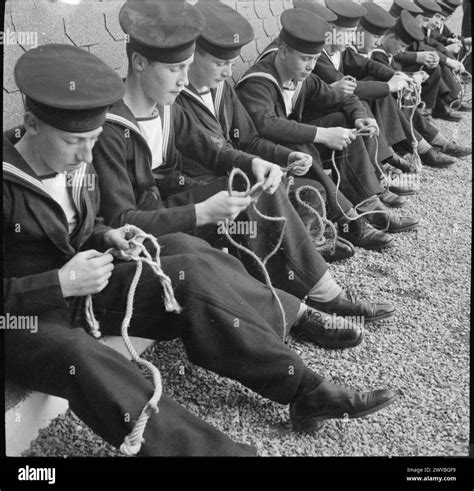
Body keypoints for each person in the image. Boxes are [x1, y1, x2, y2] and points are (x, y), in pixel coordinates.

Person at [4, 42, 399, 457]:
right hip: (23, 316)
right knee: (80, 355)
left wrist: (105, 237)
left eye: (93, 140)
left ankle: (306, 389)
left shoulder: (75, 160)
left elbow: (87, 225)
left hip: (85, 287)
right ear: (30, 124)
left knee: (191, 273)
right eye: (76, 143)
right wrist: (59, 282)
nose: (87, 155)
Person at [92, 0, 397, 325]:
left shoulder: (166, 108)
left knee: (260, 187)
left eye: (186, 67)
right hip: (151, 226)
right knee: (254, 201)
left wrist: (255, 164)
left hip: (173, 205)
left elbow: (216, 152)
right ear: (139, 62)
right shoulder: (112, 129)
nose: (183, 80)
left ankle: (315, 290)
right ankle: (318, 297)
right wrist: (203, 210)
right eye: (175, 69)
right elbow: (122, 219)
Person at [176, 0, 355, 262]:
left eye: (231, 63)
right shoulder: (175, 98)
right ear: (194, 54)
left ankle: (305, 246)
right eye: (220, 63)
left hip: (233, 171)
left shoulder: (220, 89)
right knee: (270, 196)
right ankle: (296, 257)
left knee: (308, 188)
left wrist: (285, 157)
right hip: (199, 186)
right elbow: (214, 152)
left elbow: (248, 140)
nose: (228, 73)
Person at [235, 7, 419, 240]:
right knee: (302, 146)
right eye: (305, 58)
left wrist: (361, 116)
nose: (311, 66)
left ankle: (370, 205)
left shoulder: (300, 76)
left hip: (288, 149)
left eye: (314, 58)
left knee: (342, 121)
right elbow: (267, 125)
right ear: (281, 53)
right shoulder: (258, 82)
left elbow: (343, 96)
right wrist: (322, 134)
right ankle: (350, 222)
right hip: (256, 157)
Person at [371, 9, 471, 159]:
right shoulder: (378, 54)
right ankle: (425, 147)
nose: (402, 50)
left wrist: (411, 78)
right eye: (402, 46)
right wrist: (410, 79)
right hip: (380, 102)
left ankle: (434, 142)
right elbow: (390, 73)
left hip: (387, 92)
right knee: (402, 103)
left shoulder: (386, 50)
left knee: (408, 102)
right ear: (391, 38)